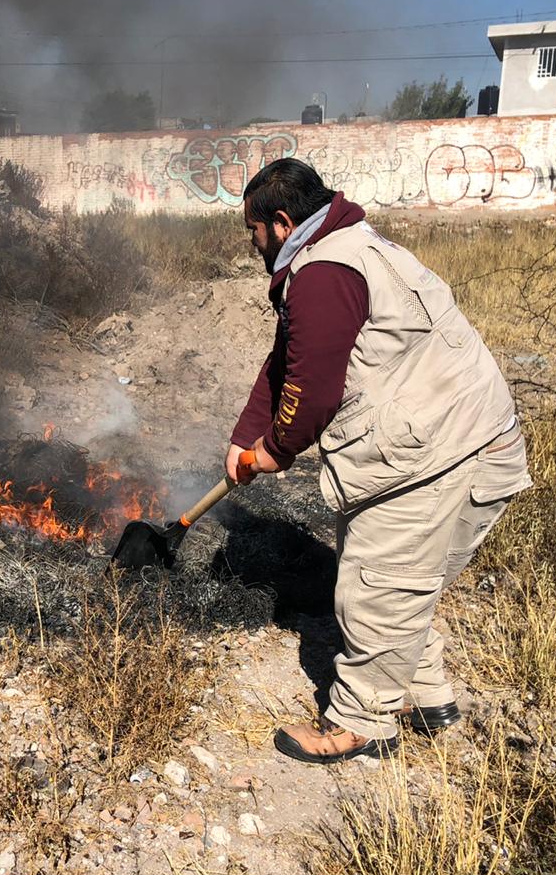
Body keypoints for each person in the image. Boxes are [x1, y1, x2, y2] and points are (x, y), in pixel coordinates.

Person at [227, 158, 532, 765]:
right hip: (481, 442)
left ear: (282, 223)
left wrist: (274, 450)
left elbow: (311, 392)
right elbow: (288, 354)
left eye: (254, 232)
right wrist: (245, 434)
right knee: (407, 586)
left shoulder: (321, 274)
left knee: (374, 591)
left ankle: (362, 725)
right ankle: (426, 697)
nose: (254, 244)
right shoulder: (355, 244)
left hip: (432, 459)